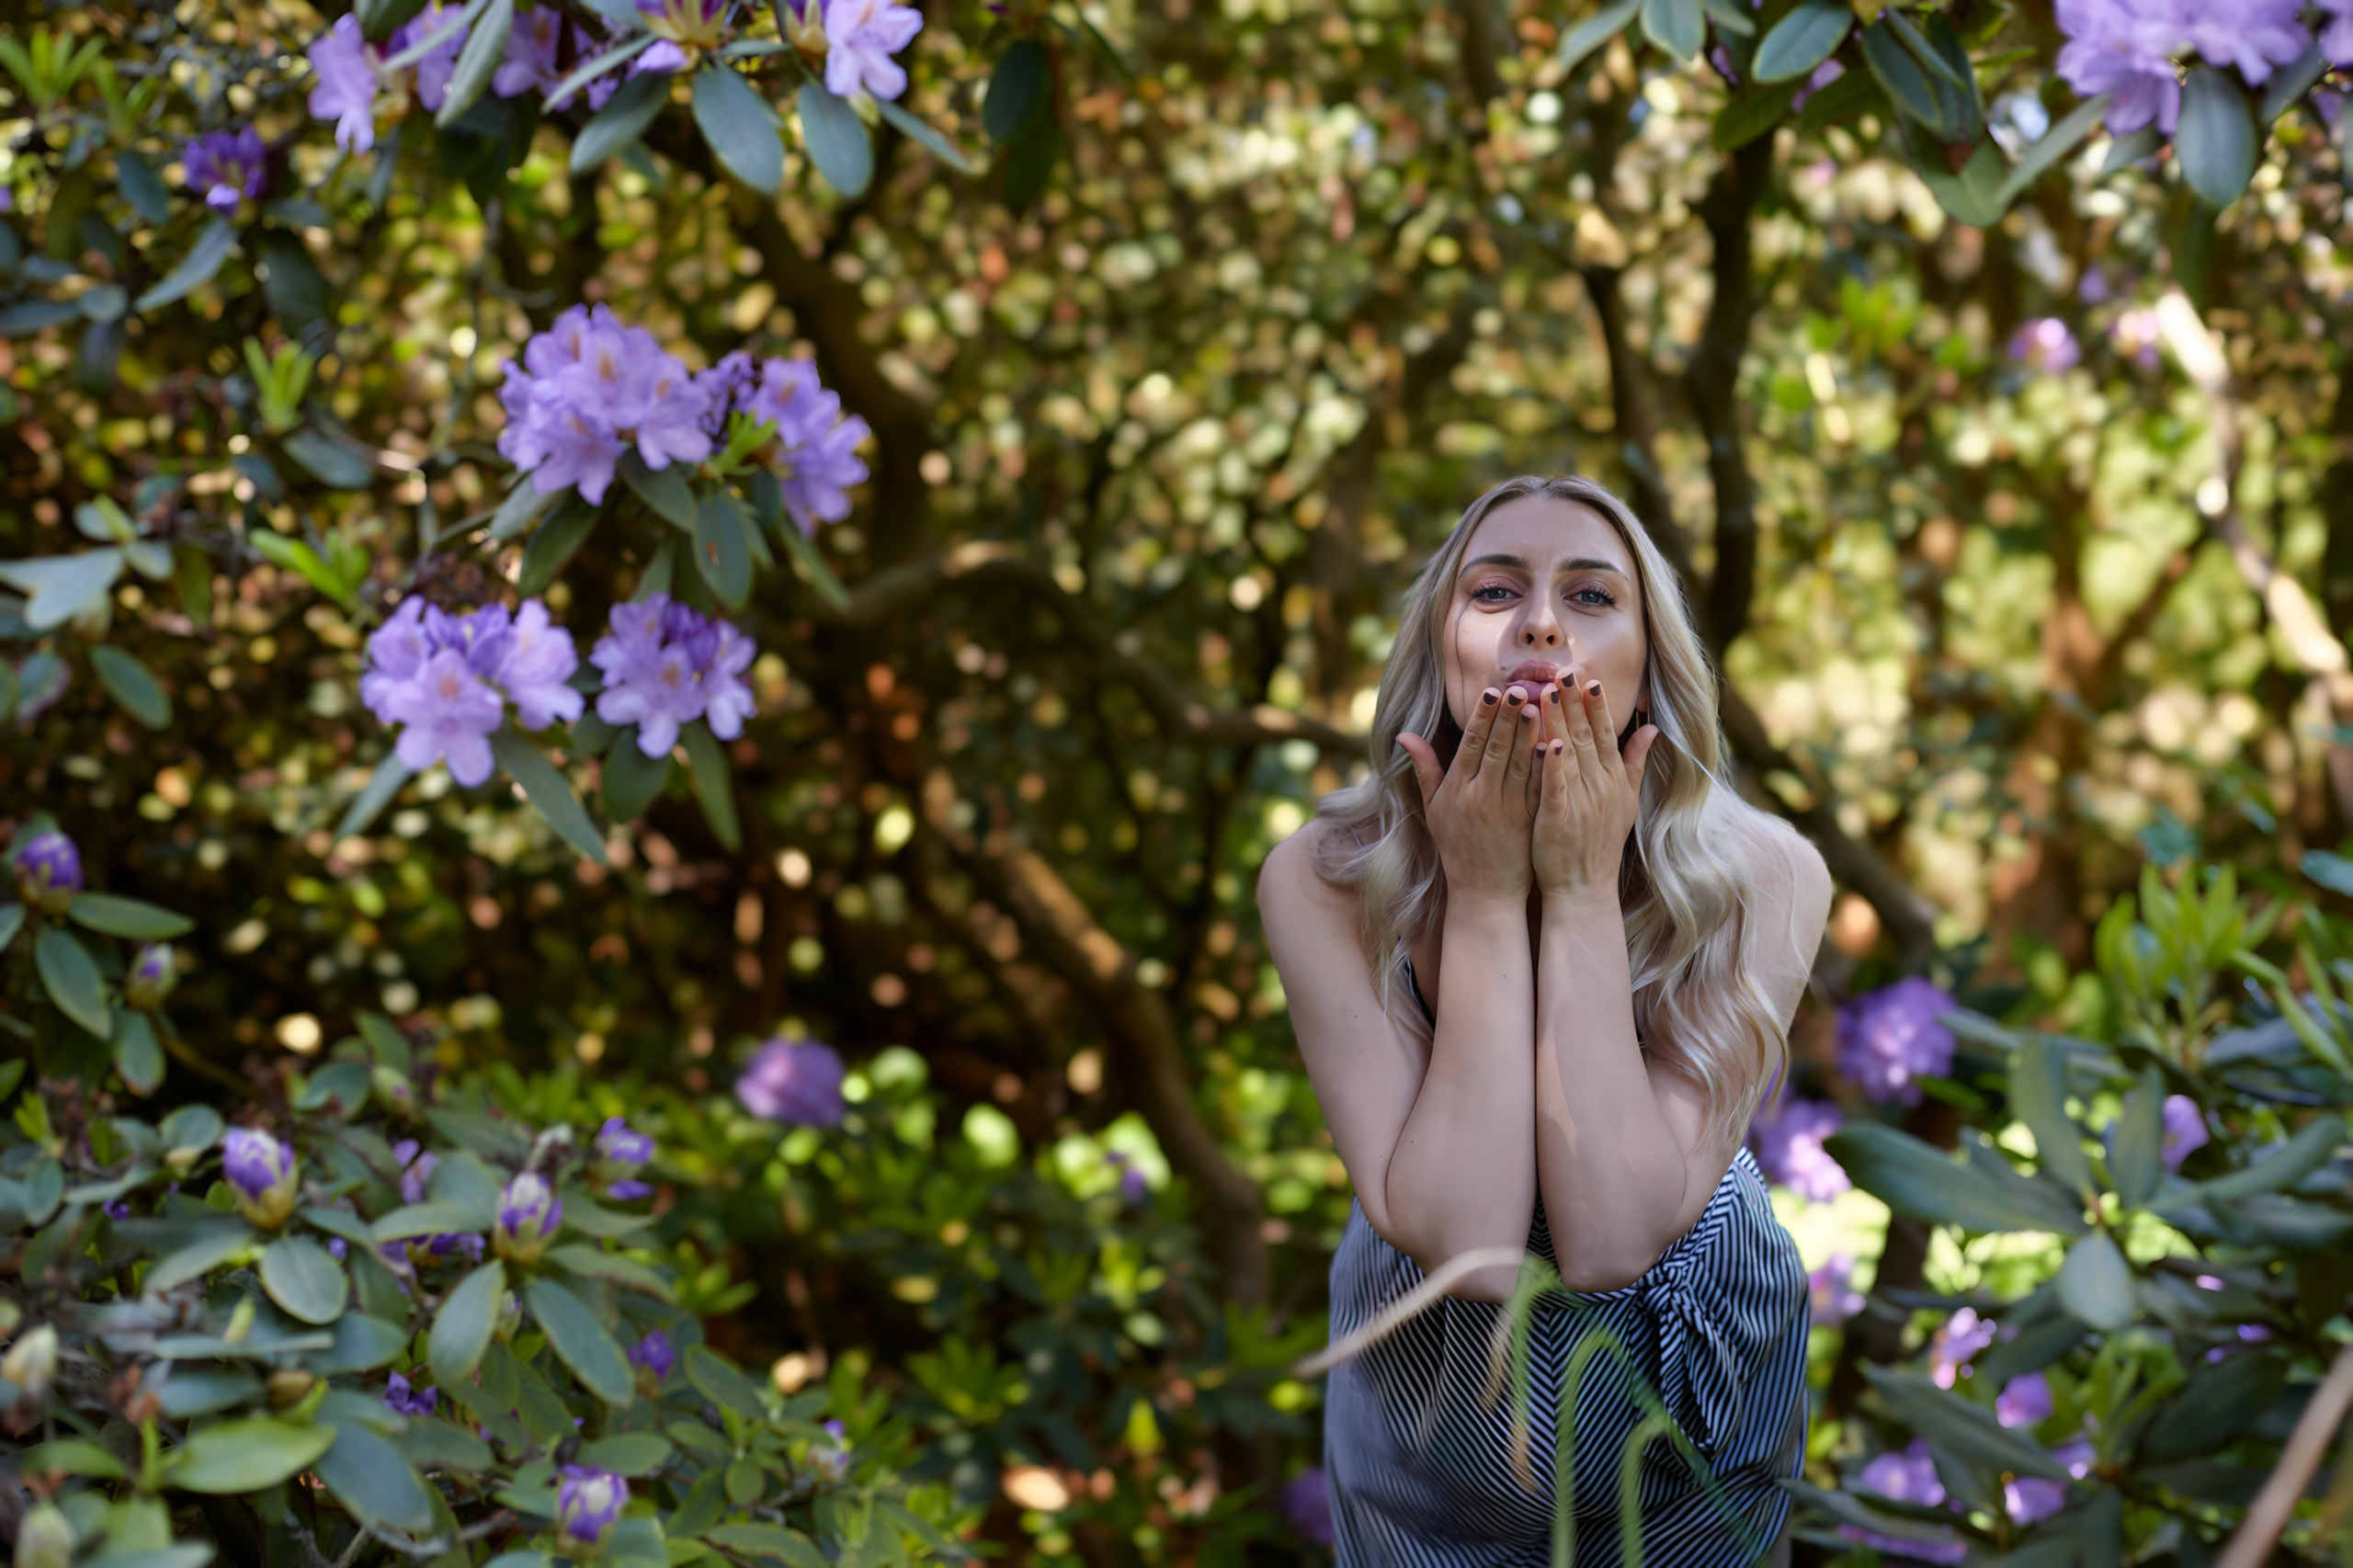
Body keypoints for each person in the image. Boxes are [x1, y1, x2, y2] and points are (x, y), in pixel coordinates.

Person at [1260, 475, 1832, 1564]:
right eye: (1494, 590)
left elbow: (1613, 1236)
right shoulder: (1328, 879)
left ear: (1648, 665)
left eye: (1589, 594)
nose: (1539, 620)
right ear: (1440, 653)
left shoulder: (1766, 875)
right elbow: (1472, 1249)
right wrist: (1482, 892)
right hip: (1430, 1424)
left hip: (1697, 1401)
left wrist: (1575, 890)